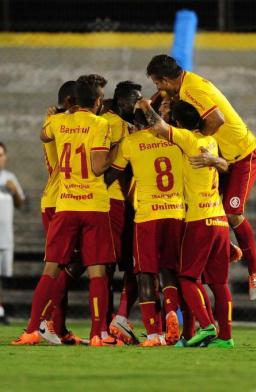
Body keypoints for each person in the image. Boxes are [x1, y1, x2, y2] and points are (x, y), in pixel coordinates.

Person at [146, 54, 256, 300]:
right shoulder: (183, 86)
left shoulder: (192, 90)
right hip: (224, 155)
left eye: (158, 84)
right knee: (206, 203)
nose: (158, 89)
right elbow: (158, 98)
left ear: (167, 79)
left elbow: (216, 119)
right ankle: (227, 247)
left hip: (243, 154)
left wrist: (198, 139)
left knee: (232, 212)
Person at [12, 74, 120, 346]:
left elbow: (43, 133)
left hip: (66, 204)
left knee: (51, 269)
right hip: (94, 205)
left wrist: (57, 115)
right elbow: (97, 166)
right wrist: (115, 153)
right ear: (97, 102)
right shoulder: (101, 124)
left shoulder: (58, 122)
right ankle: (98, 334)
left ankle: (31, 330)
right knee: (97, 270)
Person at [137, 98, 235, 348]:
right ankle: (226, 337)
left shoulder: (187, 139)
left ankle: (207, 326)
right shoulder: (210, 141)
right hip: (220, 220)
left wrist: (146, 105)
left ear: (179, 122)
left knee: (187, 278)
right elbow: (225, 166)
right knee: (220, 283)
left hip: (199, 220)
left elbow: (158, 127)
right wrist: (214, 161)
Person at [105, 107, 185, 347]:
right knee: (169, 269)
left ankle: (152, 335)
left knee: (145, 274)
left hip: (147, 215)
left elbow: (112, 174)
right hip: (176, 212)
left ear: (137, 126)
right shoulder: (176, 138)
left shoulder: (131, 142)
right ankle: (171, 310)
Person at [40, 80, 86, 345]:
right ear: (71, 102)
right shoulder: (61, 125)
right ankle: (45, 322)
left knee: (66, 264)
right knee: (67, 264)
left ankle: (58, 326)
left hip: (63, 200)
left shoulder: (54, 122)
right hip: (60, 200)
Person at [102, 81, 142, 344]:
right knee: (105, 266)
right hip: (114, 202)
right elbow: (113, 172)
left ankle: (115, 322)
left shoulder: (116, 120)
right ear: (120, 101)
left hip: (127, 204)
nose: (137, 105)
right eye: (133, 100)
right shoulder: (112, 124)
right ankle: (108, 324)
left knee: (130, 265)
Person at [0, 142, 25, 324]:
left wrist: (15, 191)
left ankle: (0, 311)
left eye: (1, 155)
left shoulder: (10, 178)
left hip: (6, 237)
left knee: (3, 277)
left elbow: (20, 204)